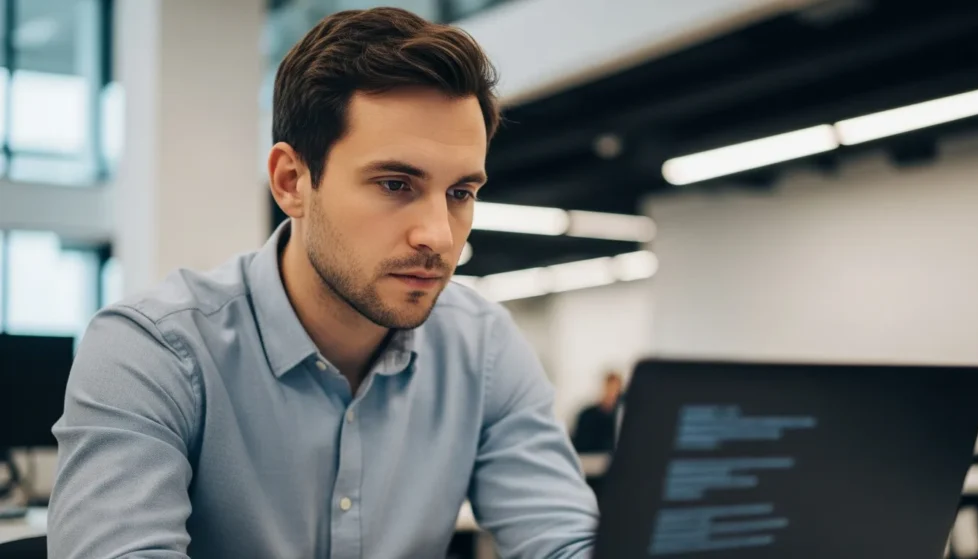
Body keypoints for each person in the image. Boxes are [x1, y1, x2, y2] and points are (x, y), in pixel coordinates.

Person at [47, 8, 598, 559]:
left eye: (460, 193)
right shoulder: (153, 351)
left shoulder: (483, 348)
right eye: (395, 183)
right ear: (292, 183)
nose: (438, 236)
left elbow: (563, 541)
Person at [572, 372, 624, 453]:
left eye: (615, 389)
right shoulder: (587, 415)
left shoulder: (622, 418)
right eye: (610, 388)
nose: (612, 393)